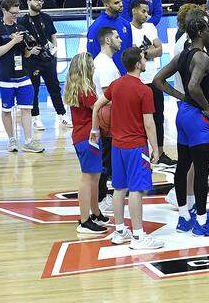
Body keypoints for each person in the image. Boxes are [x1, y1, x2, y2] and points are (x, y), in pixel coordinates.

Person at [152, 16, 209, 237]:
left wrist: (180, 96)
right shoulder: (202, 57)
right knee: (201, 172)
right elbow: (194, 87)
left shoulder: (182, 55)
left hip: (182, 114)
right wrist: (207, 107)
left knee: (183, 166)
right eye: (208, 30)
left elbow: (158, 79)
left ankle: (184, 216)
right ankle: (201, 220)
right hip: (195, 117)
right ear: (201, 33)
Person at [92, 47, 163, 251]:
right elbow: (149, 124)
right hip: (135, 146)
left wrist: (95, 129)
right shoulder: (144, 90)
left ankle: (120, 231)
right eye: (143, 58)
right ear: (138, 64)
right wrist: (155, 148)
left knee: (119, 189)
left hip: (117, 146)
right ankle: (139, 236)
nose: (145, 60)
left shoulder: (116, 85)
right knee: (136, 190)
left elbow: (97, 106)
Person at [0, 0, 43, 153]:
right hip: (6, 77)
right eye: (13, 13)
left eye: (17, 13)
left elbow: (25, 55)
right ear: (4, 11)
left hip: (23, 75)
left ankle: (28, 141)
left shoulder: (20, 28)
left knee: (26, 109)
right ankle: (11, 139)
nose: (15, 15)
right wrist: (13, 42)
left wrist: (29, 49)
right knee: (7, 110)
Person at [62, 52, 108, 236]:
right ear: (85, 67)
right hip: (88, 137)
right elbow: (100, 108)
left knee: (94, 176)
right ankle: (84, 220)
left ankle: (95, 212)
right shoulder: (86, 90)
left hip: (84, 136)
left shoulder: (78, 86)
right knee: (87, 177)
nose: (94, 67)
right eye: (91, 65)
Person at [128, 0, 171, 168]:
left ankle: (160, 153)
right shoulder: (127, 28)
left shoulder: (151, 27)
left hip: (153, 80)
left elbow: (160, 50)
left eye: (148, 11)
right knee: (139, 121)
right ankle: (142, 154)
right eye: (143, 11)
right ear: (134, 11)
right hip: (136, 81)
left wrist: (143, 54)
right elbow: (130, 54)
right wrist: (149, 52)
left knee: (158, 117)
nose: (147, 15)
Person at [20, 0, 68, 131]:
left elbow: (53, 35)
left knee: (54, 87)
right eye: (36, 0)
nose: (39, 3)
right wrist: (29, 51)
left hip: (48, 59)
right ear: (29, 2)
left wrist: (55, 53)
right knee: (33, 89)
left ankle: (62, 114)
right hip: (32, 61)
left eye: (41, 1)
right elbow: (21, 42)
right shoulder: (22, 21)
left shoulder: (46, 18)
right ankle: (36, 118)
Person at [91, 25, 125, 213]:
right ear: (108, 40)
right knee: (105, 162)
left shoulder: (107, 61)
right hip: (106, 120)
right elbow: (108, 95)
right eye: (117, 37)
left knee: (108, 161)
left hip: (108, 119)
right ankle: (102, 198)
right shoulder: (104, 64)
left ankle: (104, 196)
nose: (121, 40)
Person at [87, 0, 132, 74]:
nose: (121, 5)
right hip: (107, 75)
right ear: (107, 5)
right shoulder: (96, 27)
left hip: (125, 75)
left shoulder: (125, 24)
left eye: (121, 1)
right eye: (116, 3)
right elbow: (92, 54)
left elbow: (129, 50)